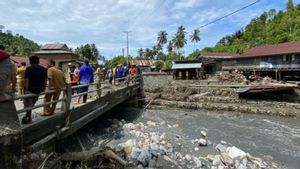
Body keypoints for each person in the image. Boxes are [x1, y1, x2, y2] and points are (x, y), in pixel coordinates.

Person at [22, 55, 47, 124]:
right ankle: (28, 117)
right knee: (32, 104)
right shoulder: (43, 69)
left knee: (28, 105)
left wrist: (26, 90)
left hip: (30, 90)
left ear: (30, 61)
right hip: (39, 90)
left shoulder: (29, 69)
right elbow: (45, 80)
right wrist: (44, 88)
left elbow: (26, 80)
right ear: (38, 61)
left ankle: (28, 118)